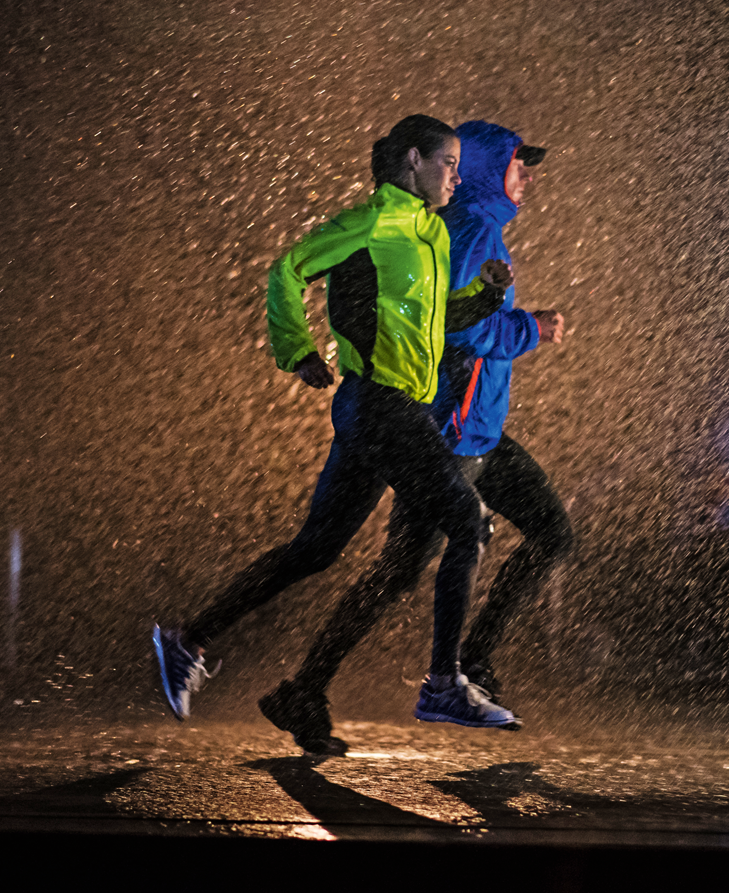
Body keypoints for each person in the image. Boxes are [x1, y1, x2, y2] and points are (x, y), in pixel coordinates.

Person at [153, 114, 523, 734]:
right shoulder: (372, 223)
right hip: (379, 406)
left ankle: (189, 639)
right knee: (467, 523)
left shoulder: (428, 232)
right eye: (449, 163)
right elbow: (288, 269)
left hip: (385, 412)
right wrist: (296, 349)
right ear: (414, 160)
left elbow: (425, 320)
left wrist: (483, 301)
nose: (458, 177)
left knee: (316, 551)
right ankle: (442, 685)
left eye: (459, 166)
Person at [254, 120, 575, 754]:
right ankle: (318, 686)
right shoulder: (471, 230)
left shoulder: (474, 227)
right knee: (400, 571)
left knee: (549, 533)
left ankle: (466, 664)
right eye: (518, 164)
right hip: (453, 434)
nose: (528, 176)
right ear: (486, 168)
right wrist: (530, 328)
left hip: (480, 431)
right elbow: (454, 334)